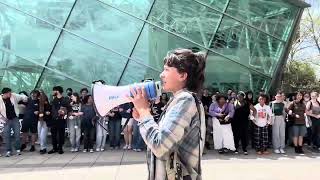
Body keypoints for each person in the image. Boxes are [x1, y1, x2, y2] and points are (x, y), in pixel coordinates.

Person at [128, 49, 206, 180]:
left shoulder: (185, 100)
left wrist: (144, 111)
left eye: (166, 70)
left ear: (182, 76)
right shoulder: (177, 100)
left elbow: (159, 146)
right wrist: (143, 116)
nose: (161, 75)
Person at [0, 88, 28, 157]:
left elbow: (22, 96)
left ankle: (18, 150)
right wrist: (2, 118)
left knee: (17, 135)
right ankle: (8, 151)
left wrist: (25, 98)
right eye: (9, 93)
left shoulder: (13, 96)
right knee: (7, 136)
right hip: (5, 120)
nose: (10, 94)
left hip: (15, 118)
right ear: (5, 93)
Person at [47, 86, 71, 154]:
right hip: (53, 119)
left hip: (61, 119)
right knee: (53, 134)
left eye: (54, 91)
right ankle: (54, 148)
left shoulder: (65, 99)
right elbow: (50, 108)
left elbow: (69, 109)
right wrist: (48, 112)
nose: (53, 92)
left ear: (57, 91)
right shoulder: (53, 100)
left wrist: (65, 113)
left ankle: (60, 148)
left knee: (61, 134)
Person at [38, 90, 51, 154]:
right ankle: (42, 147)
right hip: (39, 120)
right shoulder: (38, 103)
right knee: (39, 134)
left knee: (43, 135)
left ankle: (43, 147)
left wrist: (46, 113)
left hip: (45, 121)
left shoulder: (47, 104)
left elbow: (49, 111)